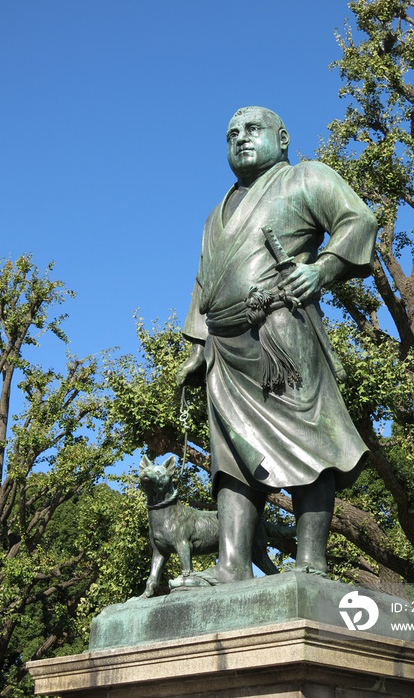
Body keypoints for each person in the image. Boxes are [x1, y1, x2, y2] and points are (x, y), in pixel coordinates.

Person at [173, 106, 377, 587]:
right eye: (232, 133)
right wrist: (197, 349)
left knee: (308, 438)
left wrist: (321, 269)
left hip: (280, 333)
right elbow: (204, 283)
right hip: (224, 349)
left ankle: (311, 561)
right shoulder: (214, 215)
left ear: (282, 138)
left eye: (252, 129)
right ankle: (232, 564)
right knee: (231, 453)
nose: (241, 138)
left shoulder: (305, 178)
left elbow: (359, 220)